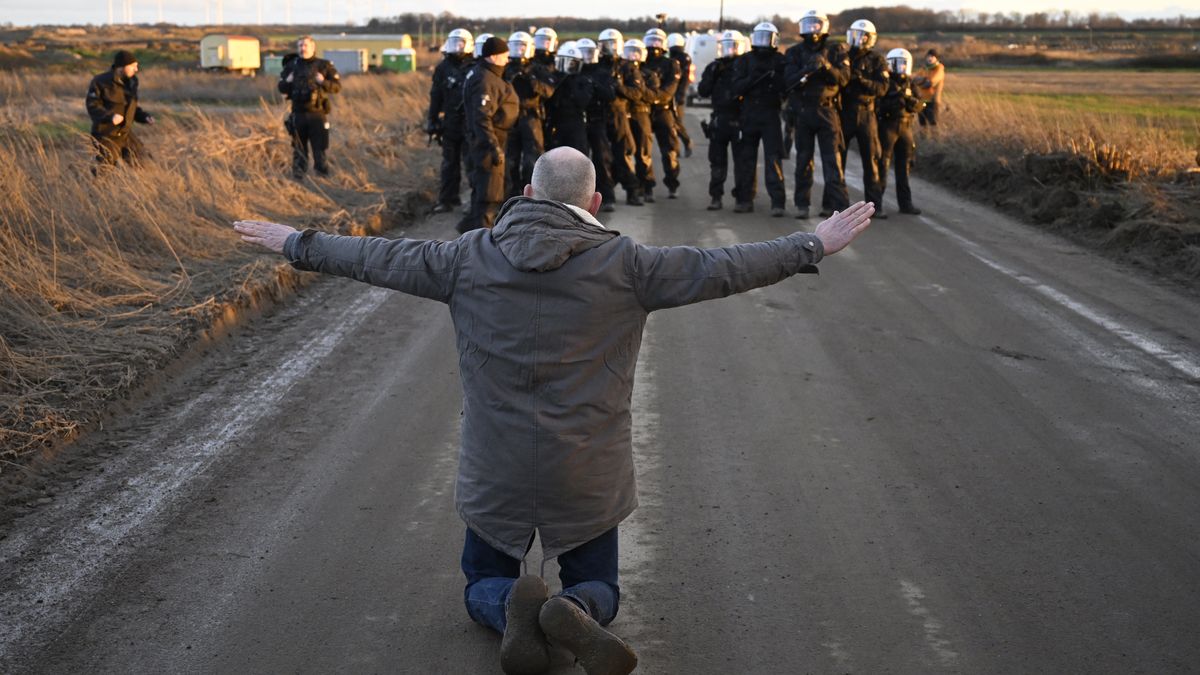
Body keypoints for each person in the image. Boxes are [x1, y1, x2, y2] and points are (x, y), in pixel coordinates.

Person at [232, 146, 874, 675]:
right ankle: (572, 607)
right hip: (588, 467)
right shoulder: (630, 265)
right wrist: (811, 245)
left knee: (482, 579)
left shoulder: (463, 258)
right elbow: (726, 266)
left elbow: (372, 257)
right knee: (603, 586)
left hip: (496, 463)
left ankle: (511, 603)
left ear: (528, 194)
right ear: (593, 203)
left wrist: (296, 241)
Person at [784, 10, 850, 219]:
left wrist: (827, 66)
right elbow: (788, 81)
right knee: (803, 160)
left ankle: (837, 208)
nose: (813, 29)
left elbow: (843, 79)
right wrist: (806, 70)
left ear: (824, 27)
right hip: (803, 111)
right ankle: (802, 204)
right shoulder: (794, 52)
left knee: (832, 161)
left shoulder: (836, 50)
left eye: (817, 24)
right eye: (809, 24)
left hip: (827, 111)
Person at [457, 36, 518, 233]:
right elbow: (481, 117)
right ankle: (480, 240)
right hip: (488, 145)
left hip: (492, 141)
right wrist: (493, 146)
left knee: (488, 190)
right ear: (493, 57)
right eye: (504, 56)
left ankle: (469, 231)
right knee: (489, 195)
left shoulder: (489, 75)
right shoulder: (485, 79)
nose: (508, 60)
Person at [730, 22, 788, 217]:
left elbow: (786, 86)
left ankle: (778, 202)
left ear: (774, 39)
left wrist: (774, 80)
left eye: (767, 37)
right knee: (746, 159)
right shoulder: (744, 61)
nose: (763, 42)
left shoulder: (780, 60)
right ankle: (745, 199)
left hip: (771, 114)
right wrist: (751, 79)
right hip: (748, 114)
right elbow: (735, 87)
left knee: (773, 159)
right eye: (760, 37)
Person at [838, 19, 889, 218]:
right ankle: (837, 205)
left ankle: (875, 206)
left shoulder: (877, 60)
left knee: (872, 160)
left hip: (867, 114)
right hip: (844, 112)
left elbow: (882, 88)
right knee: (837, 159)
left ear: (870, 38)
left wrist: (861, 79)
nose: (858, 39)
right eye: (855, 34)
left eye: (863, 35)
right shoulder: (843, 56)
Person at [696, 30, 747, 211]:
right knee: (717, 162)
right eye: (726, 46)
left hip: (741, 120)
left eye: (733, 45)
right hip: (719, 120)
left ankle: (742, 199)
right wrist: (713, 74)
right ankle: (716, 197)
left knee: (742, 163)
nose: (730, 50)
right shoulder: (714, 67)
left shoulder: (745, 65)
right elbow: (702, 91)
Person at [278, 36, 341, 179]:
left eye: (306, 45)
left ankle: (323, 180)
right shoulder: (291, 66)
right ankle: (299, 179)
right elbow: (281, 88)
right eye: (300, 45)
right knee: (299, 150)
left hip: (317, 114)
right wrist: (287, 82)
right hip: (298, 114)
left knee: (319, 150)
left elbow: (337, 87)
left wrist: (323, 81)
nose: (302, 48)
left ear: (313, 48)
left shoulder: (324, 66)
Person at [427, 29, 475, 213]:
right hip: (450, 123)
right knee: (449, 163)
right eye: (455, 42)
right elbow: (435, 95)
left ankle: (474, 201)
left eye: (461, 43)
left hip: (470, 123)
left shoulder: (475, 65)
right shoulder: (443, 67)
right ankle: (447, 199)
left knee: (472, 163)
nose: (458, 47)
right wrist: (432, 120)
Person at [504, 31, 557, 198]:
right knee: (509, 159)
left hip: (531, 117)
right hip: (510, 117)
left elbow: (549, 91)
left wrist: (530, 79)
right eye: (516, 46)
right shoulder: (505, 68)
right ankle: (511, 196)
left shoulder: (537, 68)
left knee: (532, 159)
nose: (519, 50)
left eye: (522, 46)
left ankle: (531, 196)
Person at [85, 50, 155, 168]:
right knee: (105, 171)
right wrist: (110, 117)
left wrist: (144, 117)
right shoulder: (100, 81)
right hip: (105, 135)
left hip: (125, 134)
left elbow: (131, 107)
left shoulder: (132, 82)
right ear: (122, 67)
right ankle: (95, 185)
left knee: (145, 163)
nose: (136, 69)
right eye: (133, 66)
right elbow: (92, 105)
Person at [877, 48, 926, 216]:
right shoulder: (885, 82)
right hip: (887, 126)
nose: (901, 67)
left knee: (904, 167)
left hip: (905, 126)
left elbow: (920, 105)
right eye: (897, 63)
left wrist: (908, 98)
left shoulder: (911, 83)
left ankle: (905, 204)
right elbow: (879, 104)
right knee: (883, 165)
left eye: (904, 64)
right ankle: (876, 205)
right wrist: (896, 97)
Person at [578, 38, 618, 212]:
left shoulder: (602, 72)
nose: (587, 56)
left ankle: (607, 196)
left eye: (590, 52)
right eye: (583, 52)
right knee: (579, 161)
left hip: (597, 120)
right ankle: (579, 198)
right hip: (578, 122)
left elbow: (610, 95)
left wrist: (593, 85)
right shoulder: (573, 71)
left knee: (602, 159)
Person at [618, 39, 655, 205]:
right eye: (630, 50)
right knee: (626, 151)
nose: (633, 54)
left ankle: (647, 186)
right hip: (624, 114)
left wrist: (637, 90)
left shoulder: (648, 73)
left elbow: (653, 95)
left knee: (643, 152)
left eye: (636, 51)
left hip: (641, 114)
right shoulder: (621, 71)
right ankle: (632, 187)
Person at [545, 42, 593, 153]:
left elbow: (583, 101)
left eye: (573, 64)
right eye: (566, 62)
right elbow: (548, 99)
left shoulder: (583, 80)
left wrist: (571, 83)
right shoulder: (554, 79)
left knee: (577, 155)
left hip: (576, 121)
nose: (570, 66)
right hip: (556, 121)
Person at [666, 33, 694, 159]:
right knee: (671, 123)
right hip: (669, 93)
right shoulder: (671, 57)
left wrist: (680, 95)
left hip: (677, 95)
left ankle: (686, 142)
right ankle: (676, 148)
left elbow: (685, 80)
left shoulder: (683, 58)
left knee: (676, 122)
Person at [913, 48, 945, 127]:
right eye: (928, 56)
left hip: (933, 100)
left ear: (936, 58)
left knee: (933, 123)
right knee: (922, 123)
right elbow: (914, 80)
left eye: (932, 56)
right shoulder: (924, 68)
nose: (929, 58)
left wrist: (921, 81)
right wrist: (924, 81)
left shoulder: (939, 69)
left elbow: (931, 82)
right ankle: (923, 139)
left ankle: (934, 139)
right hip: (921, 100)